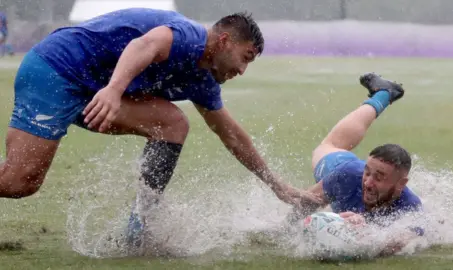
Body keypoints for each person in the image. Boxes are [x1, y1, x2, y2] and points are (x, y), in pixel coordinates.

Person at [0, 8, 320, 247]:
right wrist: (114, 89)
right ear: (224, 41)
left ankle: (140, 227)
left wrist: (277, 187)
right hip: (57, 71)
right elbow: (145, 45)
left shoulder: (203, 79)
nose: (242, 69)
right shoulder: (189, 38)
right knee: (19, 182)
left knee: (172, 124)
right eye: (245, 57)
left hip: (91, 91)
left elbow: (231, 134)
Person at [294, 73, 424, 256]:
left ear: (401, 184)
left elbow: (395, 244)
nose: (368, 183)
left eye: (379, 178)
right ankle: (384, 94)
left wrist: (365, 232)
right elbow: (302, 209)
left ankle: (384, 93)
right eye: (368, 173)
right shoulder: (346, 176)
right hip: (339, 163)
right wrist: (331, 221)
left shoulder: (411, 207)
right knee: (329, 146)